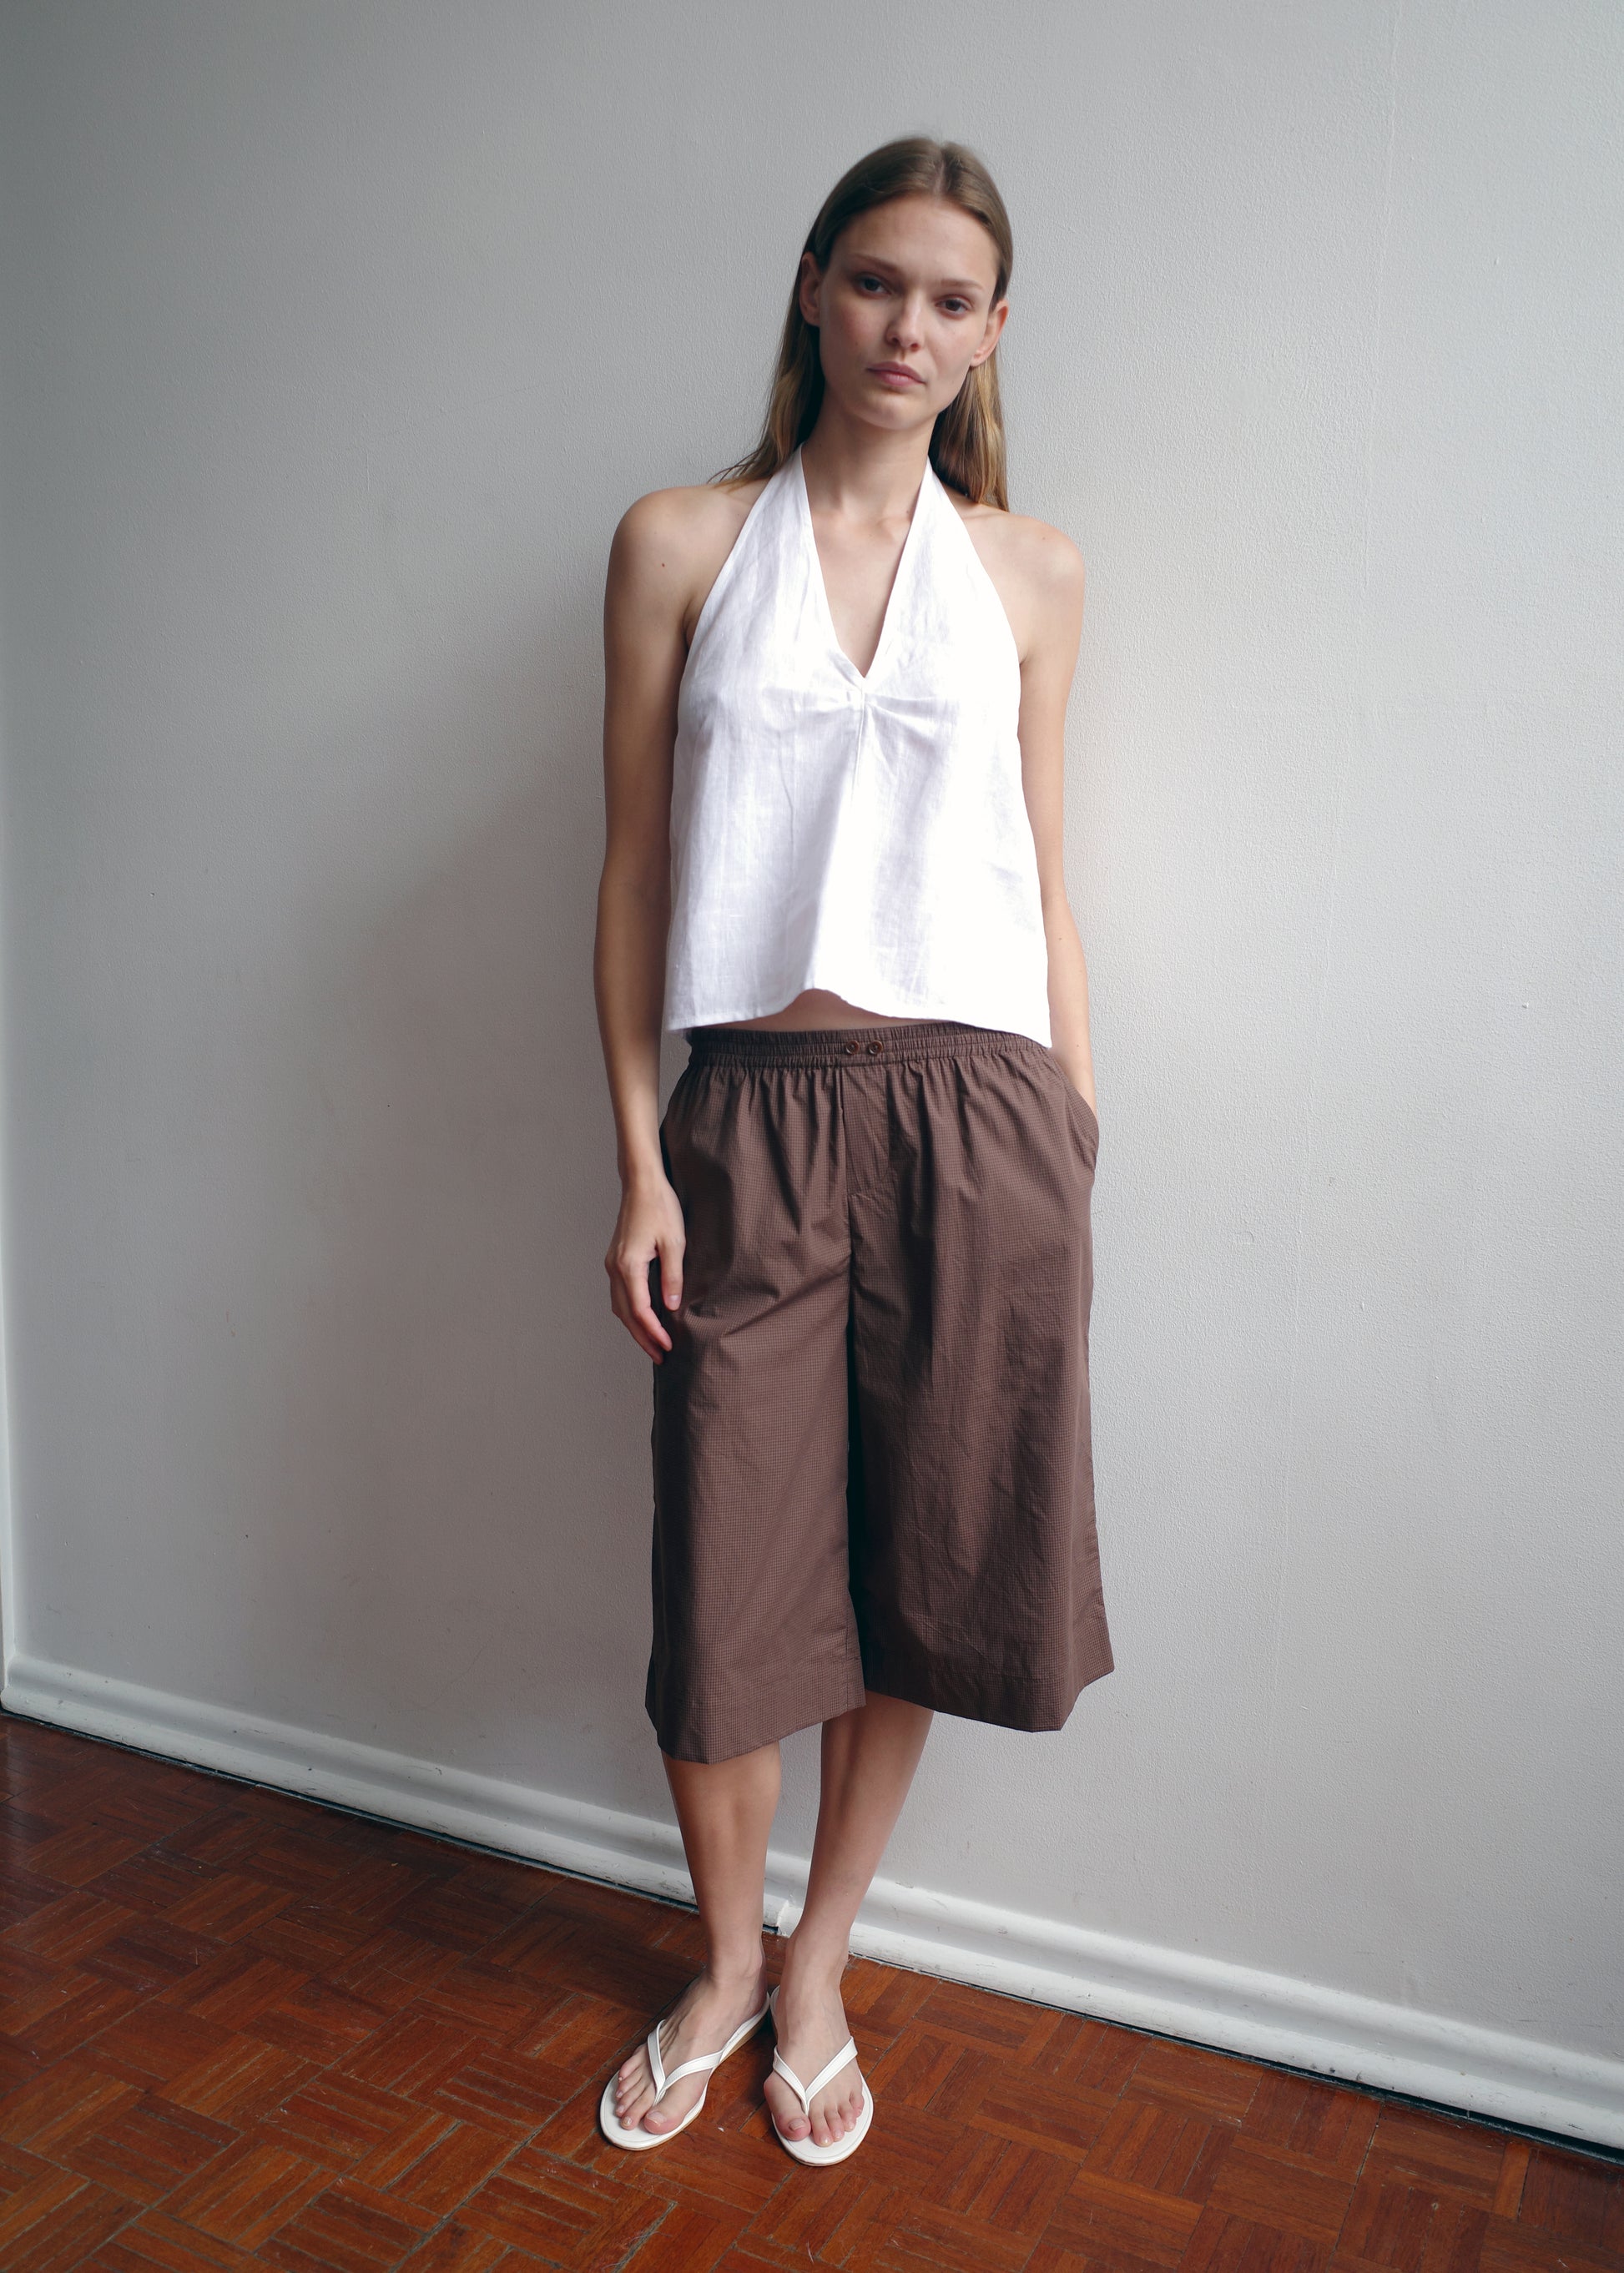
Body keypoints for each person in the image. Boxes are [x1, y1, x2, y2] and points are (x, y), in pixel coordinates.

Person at [593, 135, 1112, 2167]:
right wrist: (641, 1154)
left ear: (991, 335)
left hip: (979, 1121)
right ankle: (720, 1962)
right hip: (750, 1119)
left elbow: (1041, 873)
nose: (911, 326)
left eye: (954, 298)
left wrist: (1077, 1123)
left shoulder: (1033, 572)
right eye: (880, 281)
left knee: (916, 1566)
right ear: (813, 287)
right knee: (729, 1580)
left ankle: (816, 1962)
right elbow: (635, 875)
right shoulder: (676, 541)